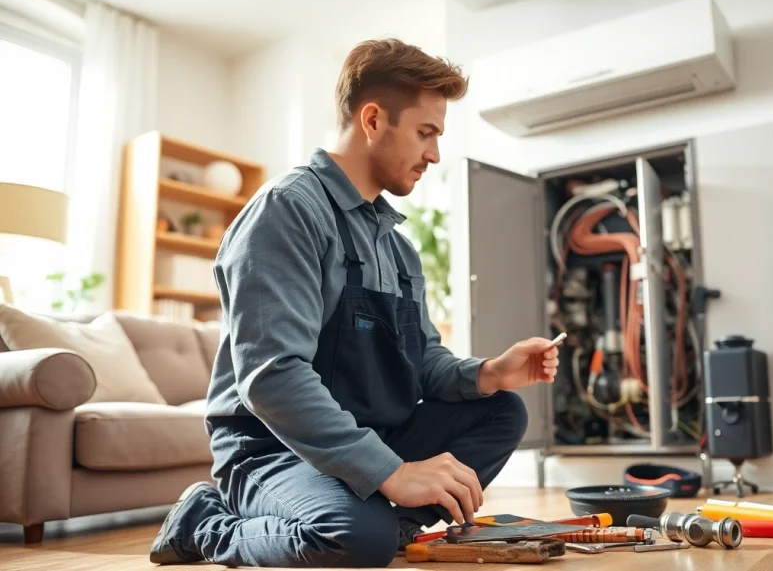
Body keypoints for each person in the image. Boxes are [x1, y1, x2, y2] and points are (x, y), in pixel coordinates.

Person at [149, 38, 560, 568]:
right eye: (425, 132)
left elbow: (421, 361)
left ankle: (385, 528)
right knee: (351, 538)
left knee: (502, 411)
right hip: (273, 449)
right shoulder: (287, 212)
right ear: (372, 120)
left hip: (372, 434)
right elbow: (272, 377)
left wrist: (489, 373)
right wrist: (393, 474)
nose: (434, 154)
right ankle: (204, 523)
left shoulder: (397, 245)